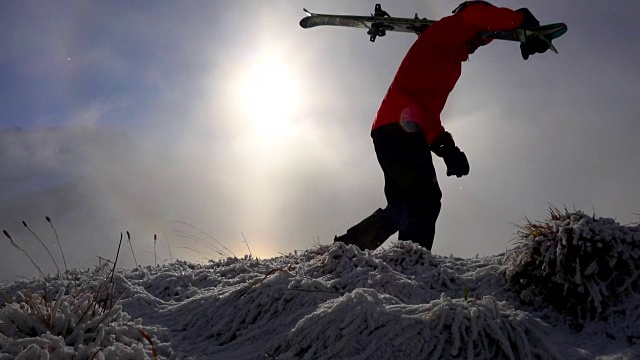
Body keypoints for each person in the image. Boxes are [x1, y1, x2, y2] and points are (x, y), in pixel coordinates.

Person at [334, 1, 549, 251]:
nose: (480, 44)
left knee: (404, 205)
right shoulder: (447, 30)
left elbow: (427, 114)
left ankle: (348, 249)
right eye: (483, 36)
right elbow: (474, 14)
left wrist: (448, 149)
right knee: (425, 200)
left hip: (391, 129)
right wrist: (522, 19)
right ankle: (412, 263)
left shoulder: (448, 59)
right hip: (398, 129)